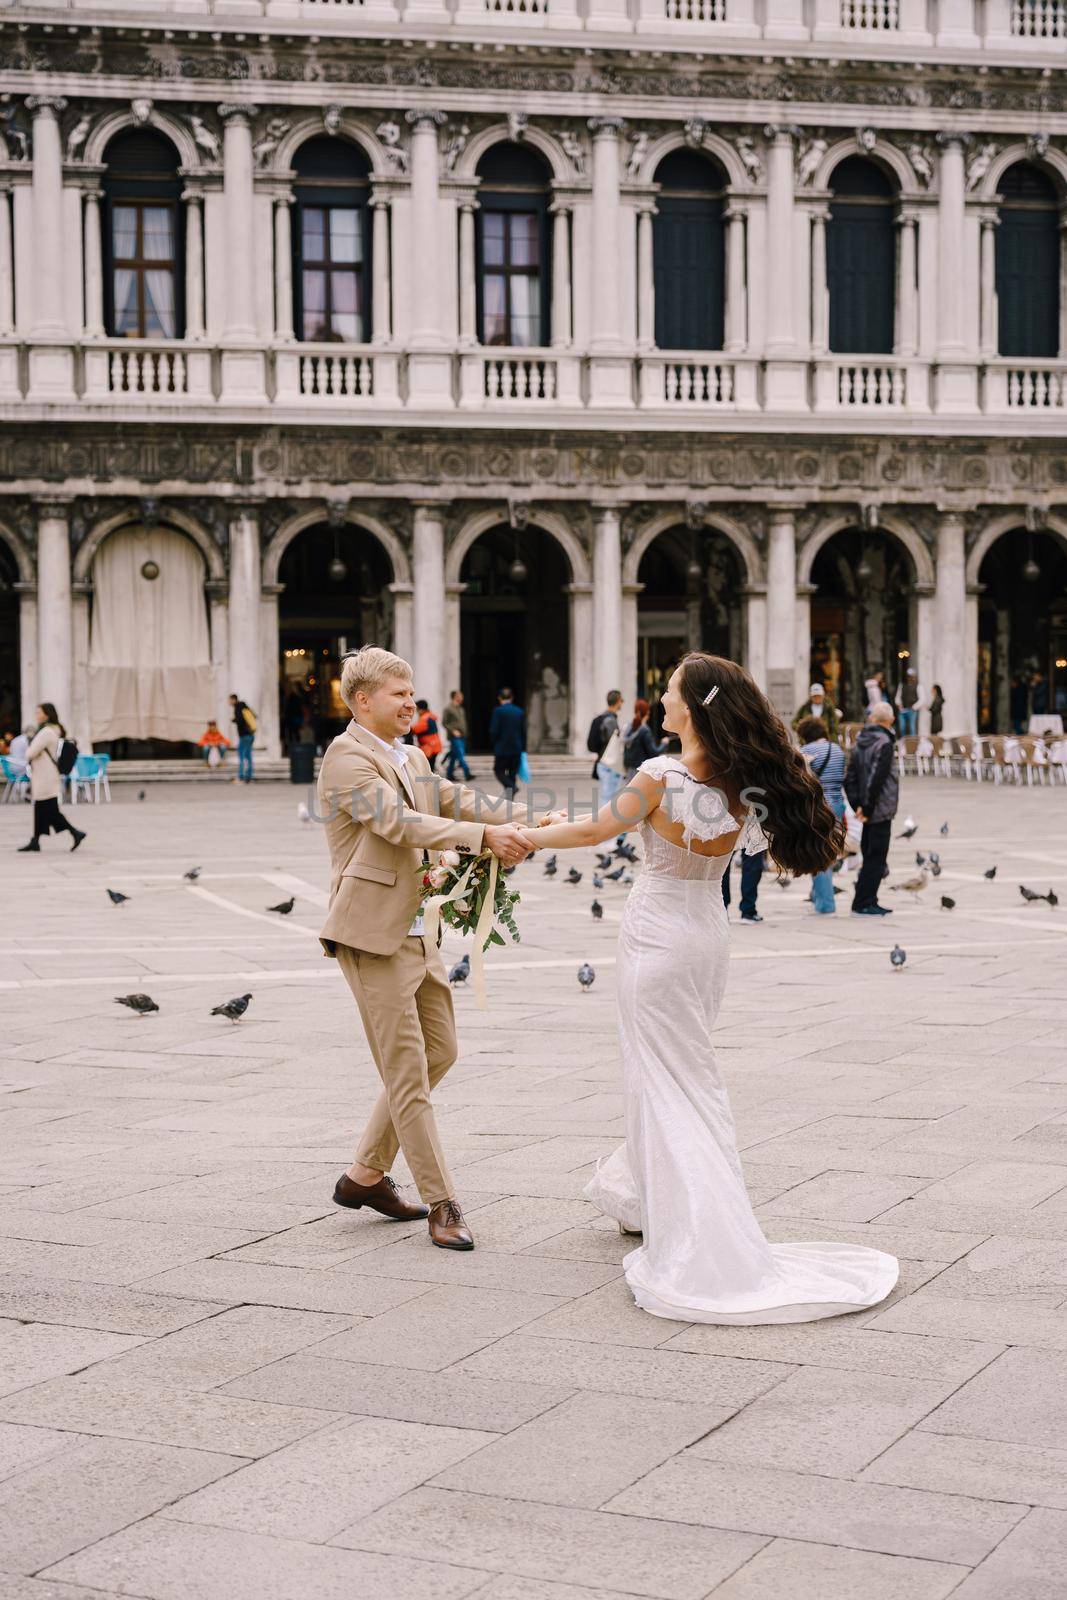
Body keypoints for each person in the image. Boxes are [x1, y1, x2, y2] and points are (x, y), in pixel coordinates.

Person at [518, 652, 895, 1325]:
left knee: (660, 1079)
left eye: (666, 691)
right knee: (687, 1076)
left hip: (657, 933)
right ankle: (642, 1196)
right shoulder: (738, 780)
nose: (658, 699)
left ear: (691, 706)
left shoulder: (660, 775)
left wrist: (520, 835)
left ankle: (699, 1235)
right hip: (706, 935)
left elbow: (591, 830)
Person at [317, 647, 531, 1252]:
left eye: (411, 692)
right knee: (408, 1074)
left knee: (442, 1050)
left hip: (419, 927)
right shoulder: (344, 759)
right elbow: (399, 824)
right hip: (371, 933)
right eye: (398, 694)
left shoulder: (409, 754)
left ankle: (363, 1175)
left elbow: (452, 799)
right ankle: (443, 1203)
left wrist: (531, 822)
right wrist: (485, 837)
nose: (411, 703)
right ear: (362, 701)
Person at [845, 701, 898, 917]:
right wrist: (866, 807)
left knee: (869, 855)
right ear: (891, 720)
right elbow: (878, 777)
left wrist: (857, 803)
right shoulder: (884, 742)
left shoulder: (861, 740)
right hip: (879, 808)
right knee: (876, 857)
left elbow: (851, 776)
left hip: (866, 808)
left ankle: (868, 899)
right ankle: (864, 902)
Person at [17, 704, 86, 855]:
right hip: (45, 775)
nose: (36, 714)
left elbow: (30, 753)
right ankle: (35, 840)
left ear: (47, 714)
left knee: (51, 811)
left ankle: (75, 832)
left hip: (45, 776)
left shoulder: (46, 732)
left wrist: (29, 750)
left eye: (39, 712)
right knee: (41, 808)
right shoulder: (51, 730)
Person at [798, 715, 846, 914]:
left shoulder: (806, 752)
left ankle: (825, 903)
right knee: (829, 851)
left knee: (818, 853)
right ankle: (820, 896)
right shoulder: (837, 749)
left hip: (818, 805)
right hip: (838, 803)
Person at [588, 689, 625, 809]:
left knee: (607, 797)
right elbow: (613, 746)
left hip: (602, 762)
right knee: (609, 800)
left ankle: (604, 825)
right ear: (618, 701)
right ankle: (605, 826)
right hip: (610, 765)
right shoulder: (610, 721)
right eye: (621, 701)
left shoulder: (600, 719)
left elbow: (591, 745)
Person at [489, 686, 525, 797]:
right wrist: (523, 748)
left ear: (500, 698)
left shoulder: (498, 711)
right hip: (516, 747)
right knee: (512, 774)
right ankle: (510, 802)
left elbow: (494, 730)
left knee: (498, 770)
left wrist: (494, 743)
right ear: (512, 697)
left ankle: (512, 787)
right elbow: (523, 731)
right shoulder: (519, 711)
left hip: (502, 747)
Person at [622, 699, 667, 780]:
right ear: (647, 712)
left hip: (629, 768)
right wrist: (664, 743)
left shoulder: (629, 727)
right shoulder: (645, 730)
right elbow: (654, 752)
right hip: (641, 769)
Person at [721, 842, 765, 924]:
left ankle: (722, 910)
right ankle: (748, 911)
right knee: (753, 860)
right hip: (751, 830)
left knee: (723, 862)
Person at [441, 689, 472, 781]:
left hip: (462, 735)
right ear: (455, 697)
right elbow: (444, 722)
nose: (462, 697)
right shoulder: (448, 709)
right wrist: (453, 731)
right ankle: (467, 773)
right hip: (454, 736)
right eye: (460, 695)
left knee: (454, 756)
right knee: (460, 754)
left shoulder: (461, 709)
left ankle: (449, 774)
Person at [229, 693, 256, 784]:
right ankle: (249, 777)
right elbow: (254, 716)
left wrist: (234, 720)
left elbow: (240, 720)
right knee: (248, 756)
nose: (229, 702)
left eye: (230, 700)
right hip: (251, 735)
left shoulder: (238, 708)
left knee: (241, 756)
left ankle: (241, 777)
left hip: (244, 735)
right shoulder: (245, 707)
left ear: (234, 700)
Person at [411, 700, 443, 772]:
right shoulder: (430, 716)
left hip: (429, 747)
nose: (416, 711)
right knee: (431, 768)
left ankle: (429, 782)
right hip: (435, 745)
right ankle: (431, 782)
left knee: (428, 770)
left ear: (421, 709)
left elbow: (415, 729)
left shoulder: (424, 718)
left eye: (417, 709)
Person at [895, 667, 922, 737]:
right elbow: (898, 696)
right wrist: (899, 704)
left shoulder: (918, 686)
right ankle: (903, 744)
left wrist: (914, 707)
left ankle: (912, 745)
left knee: (912, 728)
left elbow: (922, 699)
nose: (911, 678)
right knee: (902, 728)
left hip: (912, 710)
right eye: (909, 676)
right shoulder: (902, 685)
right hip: (902, 710)